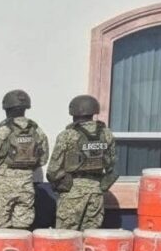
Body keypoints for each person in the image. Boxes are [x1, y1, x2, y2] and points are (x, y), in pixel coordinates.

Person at [0, 89, 49, 229]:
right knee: (22, 230)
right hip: (26, 186)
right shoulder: (37, 131)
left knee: (0, 232)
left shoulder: (3, 131)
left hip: (2, 189)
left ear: (6, 109)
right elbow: (43, 159)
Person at [46, 94, 118, 230]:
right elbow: (112, 164)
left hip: (72, 191)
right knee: (91, 236)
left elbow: (53, 170)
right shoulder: (107, 134)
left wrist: (60, 187)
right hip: (96, 191)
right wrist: (101, 186)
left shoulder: (67, 135)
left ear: (73, 112)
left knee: (66, 236)